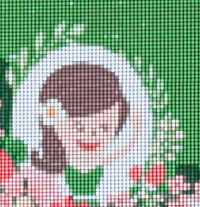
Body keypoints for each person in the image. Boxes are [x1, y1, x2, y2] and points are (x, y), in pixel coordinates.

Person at [29, 60, 141, 199]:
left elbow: (122, 152)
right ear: (53, 125)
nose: (91, 135)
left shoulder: (97, 161)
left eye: (104, 127)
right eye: (78, 127)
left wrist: (136, 131)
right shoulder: (61, 164)